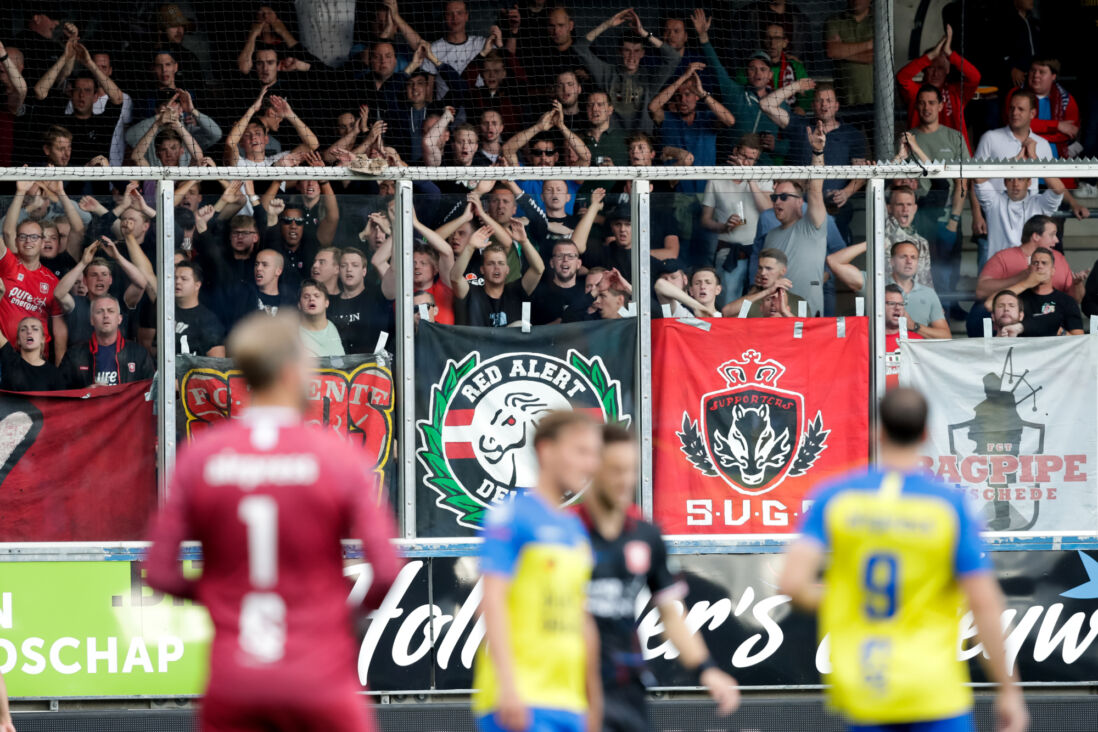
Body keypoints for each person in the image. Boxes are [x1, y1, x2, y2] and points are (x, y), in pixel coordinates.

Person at [145, 312, 402, 732]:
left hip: (235, 679)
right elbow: (388, 570)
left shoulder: (202, 457)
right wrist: (331, 610)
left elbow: (158, 572)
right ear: (288, 370)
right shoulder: (336, 456)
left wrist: (221, 594)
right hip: (319, 675)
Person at [778, 387, 1029, 732]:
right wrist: (1008, 690)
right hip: (933, 688)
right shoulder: (950, 505)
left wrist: (848, 597)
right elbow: (984, 604)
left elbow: (792, 584)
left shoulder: (834, 497)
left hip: (865, 686)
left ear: (876, 431)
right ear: (926, 434)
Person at [581, 424, 739, 731]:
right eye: (615, 470)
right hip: (568, 689)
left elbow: (671, 613)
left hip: (627, 687)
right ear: (592, 469)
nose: (625, 480)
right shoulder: (562, 533)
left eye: (629, 470)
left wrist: (706, 670)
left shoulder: (646, 535)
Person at [474, 410, 603, 732]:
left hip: (570, 703)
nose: (590, 464)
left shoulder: (576, 529)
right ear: (546, 451)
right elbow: (491, 601)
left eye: (594, 454)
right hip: (521, 701)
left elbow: (582, 618)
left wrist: (594, 702)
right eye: (581, 451)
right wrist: (508, 687)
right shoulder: (511, 516)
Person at [759, 123, 828, 317]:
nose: (776, 202)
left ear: (800, 202)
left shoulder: (812, 226)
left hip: (807, 316)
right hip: (774, 319)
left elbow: (815, 190)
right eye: (774, 198)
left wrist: (817, 151)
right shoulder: (770, 236)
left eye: (783, 197)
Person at [575, 9, 680, 132]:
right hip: (613, 141)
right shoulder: (607, 72)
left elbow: (674, 57)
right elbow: (579, 48)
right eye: (627, 50)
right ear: (619, 51)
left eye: (636, 51)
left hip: (641, 143)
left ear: (642, 53)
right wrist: (607, 24)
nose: (631, 56)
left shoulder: (650, 78)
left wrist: (644, 33)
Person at [0, 188, 67, 363]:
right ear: (16, 241)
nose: (28, 241)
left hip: (36, 360)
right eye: (23, 236)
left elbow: (59, 330)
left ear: (42, 242)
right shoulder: (9, 264)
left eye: (34, 237)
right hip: (4, 355)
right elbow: (5, 232)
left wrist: (58, 369)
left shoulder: (52, 280)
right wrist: (20, 191)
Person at [897, 26, 980, 150]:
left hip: (953, 154)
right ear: (925, 68)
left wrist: (950, 54)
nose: (935, 73)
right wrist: (930, 56)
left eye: (940, 68)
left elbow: (975, 77)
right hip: (921, 151)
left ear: (947, 70)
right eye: (931, 67)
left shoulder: (956, 92)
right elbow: (901, 77)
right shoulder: (916, 91)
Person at [452, 230, 544, 327]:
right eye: (491, 263)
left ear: (507, 269)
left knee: (520, 325)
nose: (496, 267)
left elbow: (538, 269)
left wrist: (524, 241)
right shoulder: (471, 292)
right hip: (479, 342)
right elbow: (455, 278)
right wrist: (470, 247)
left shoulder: (516, 291)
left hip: (511, 342)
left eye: (501, 263)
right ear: (482, 270)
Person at [60, 294, 154, 388]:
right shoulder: (74, 355)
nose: (105, 315)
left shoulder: (139, 354)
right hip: (91, 403)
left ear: (119, 319)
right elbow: (62, 396)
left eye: (111, 311)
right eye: (99, 312)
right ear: (92, 320)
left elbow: (151, 393)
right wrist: (86, 394)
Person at [1003, 58, 1080, 161]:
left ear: (1053, 76)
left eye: (1042, 72)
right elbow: (1015, 125)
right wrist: (1057, 125)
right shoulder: (1015, 95)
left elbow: (1071, 131)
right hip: (1020, 155)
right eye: (1033, 70)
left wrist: (1036, 135)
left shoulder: (1066, 99)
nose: (1036, 75)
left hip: (1057, 160)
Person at [329, 249, 390, 355]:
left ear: (364, 271)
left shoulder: (377, 295)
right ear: (339, 271)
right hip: (338, 368)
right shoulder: (330, 303)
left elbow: (393, 275)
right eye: (344, 265)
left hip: (371, 367)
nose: (349, 269)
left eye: (355, 265)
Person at [722, 248, 804, 318]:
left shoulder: (800, 302)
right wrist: (767, 291)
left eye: (769, 268)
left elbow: (802, 332)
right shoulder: (752, 300)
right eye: (760, 268)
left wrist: (784, 312)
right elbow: (726, 312)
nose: (763, 273)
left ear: (783, 271)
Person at [173, 261, 226, 357]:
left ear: (197, 285)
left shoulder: (208, 320)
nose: (177, 282)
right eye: (175, 278)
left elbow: (217, 362)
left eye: (184, 279)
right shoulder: (164, 310)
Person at [0, 315, 66, 391]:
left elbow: (61, 402)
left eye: (35, 329)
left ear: (42, 339)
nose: (29, 332)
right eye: (23, 329)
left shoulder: (55, 374)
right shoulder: (10, 359)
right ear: (18, 340)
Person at [531, 239, 588, 325]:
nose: (565, 259)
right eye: (559, 256)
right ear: (552, 263)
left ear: (578, 264)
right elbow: (528, 331)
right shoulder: (537, 292)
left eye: (571, 256)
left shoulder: (587, 289)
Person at [883, 284, 923, 389]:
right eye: (891, 303)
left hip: (907, 402)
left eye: (901, 304)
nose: (897, 308)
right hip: (878, 402)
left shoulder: (917, 341)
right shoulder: (870, 340)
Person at [298, 279, 344, 357]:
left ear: (327, 303)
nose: (311, 299)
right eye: (306, 296)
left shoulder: (338, 328)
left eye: (317, 296)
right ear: (299, 305)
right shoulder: (292, 334)